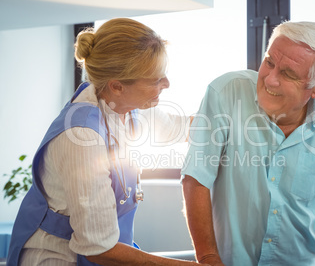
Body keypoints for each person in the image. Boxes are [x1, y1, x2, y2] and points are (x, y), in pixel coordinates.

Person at [7, 18, 202, 266]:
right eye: (155, 80)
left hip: (101, 250)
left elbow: (180, 128)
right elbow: (99, 249)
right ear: (117, 86)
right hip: (57, 257)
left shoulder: (127, 106)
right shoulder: (81, 138)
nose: (167, 84)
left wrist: (242, 118)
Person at [181, 21, 315, 266]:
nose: (270, 80)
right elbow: (196, 178)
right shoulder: (224, 93)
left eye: (288, 74)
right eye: (269, 62)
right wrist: (207, 257)